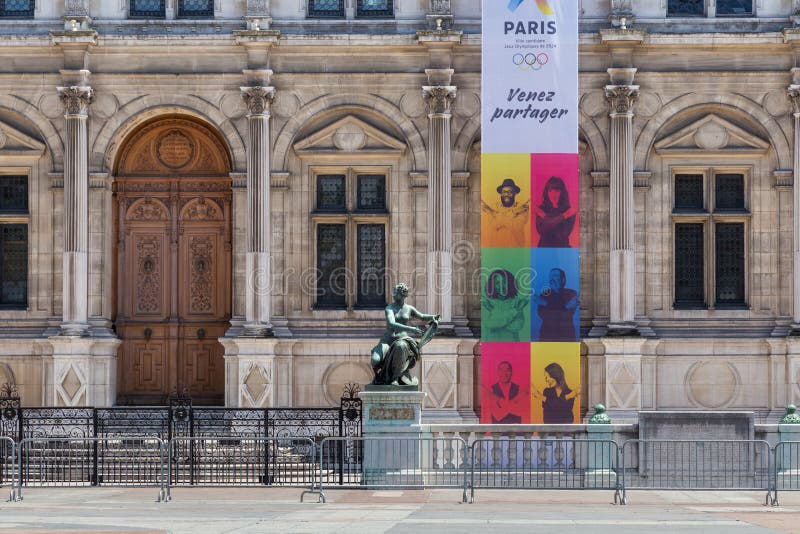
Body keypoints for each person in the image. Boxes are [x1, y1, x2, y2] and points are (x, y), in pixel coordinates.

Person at [370, 283, 439, 387]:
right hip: (387, 341)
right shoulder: (389, 308)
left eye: (396, 293)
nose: (393, 295)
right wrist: (411, 329)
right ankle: (380, 377)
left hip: (402, 339)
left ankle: (395, 378)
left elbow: (422, 316)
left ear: (403, 295)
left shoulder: (409, 308)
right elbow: (392, 324)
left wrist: (433, 317)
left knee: (400, 347)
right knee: (375, 361)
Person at [482, 178, 530, 247]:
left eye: (509, 192)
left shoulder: (523, 208)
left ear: (515, 193)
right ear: (501, 193)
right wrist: (514, 212)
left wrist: (496, 215)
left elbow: (517, 227)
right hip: (496, 251)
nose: (506, 194)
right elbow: (493, 225)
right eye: (504, 192)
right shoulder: (494, 206)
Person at [482, 269, 528, 341]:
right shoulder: (488, 302)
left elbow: (516, 326)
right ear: (492, 285)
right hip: (492, 346)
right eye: (497, 283)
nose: (501, 286)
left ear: (510, 283)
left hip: (511, 346)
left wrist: (492, 311)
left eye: (504, 282)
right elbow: (490, 324)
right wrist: (516, 310)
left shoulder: (516, 301)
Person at [533, 268, 579, 341]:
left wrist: (545, 303)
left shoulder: (571, 293)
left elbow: (566, 315)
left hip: (566, 337)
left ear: (563, 280)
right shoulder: (544, 294)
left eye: (555, 275)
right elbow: (544, 316)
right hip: (547, 336)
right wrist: (566, 307)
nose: (551, 278)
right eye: (550, 276)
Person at [534, 176, 577, 248]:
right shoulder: (542, 208)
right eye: (550, 190)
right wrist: (564, 216)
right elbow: (541, 231)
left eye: (557, 190)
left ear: (562, 192)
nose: (553, 194)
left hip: (562, 251)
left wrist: (545, 217)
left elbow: (563, 235)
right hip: (544, 249)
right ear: (546, 192)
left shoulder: (567, 209)